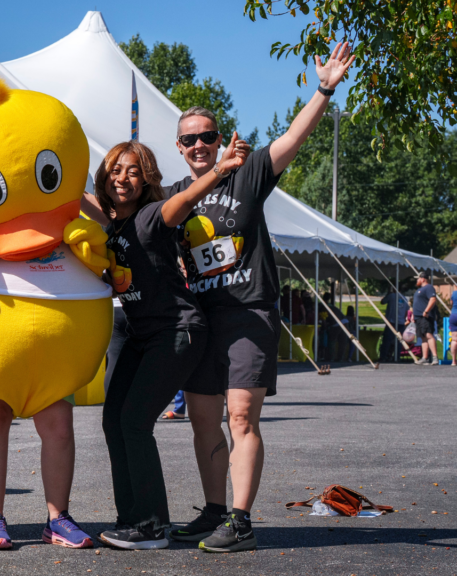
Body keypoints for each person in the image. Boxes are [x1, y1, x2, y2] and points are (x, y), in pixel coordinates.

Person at [167, 42, 355, 553]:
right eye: (190, 139)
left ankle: (241, 520)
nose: (200, 145)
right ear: (179, 147)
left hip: (248, 315)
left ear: (219, 138)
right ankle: (213, 512)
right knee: (203, 421)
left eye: (207, 136)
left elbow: (293, 137)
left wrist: (323, 90)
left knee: (241, 417)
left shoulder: (247, 174)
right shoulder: (176, 195)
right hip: (201, 322)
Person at [96, 135, 248, 550]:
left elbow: (183, 201)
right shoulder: (113, 224)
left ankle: (150, 528)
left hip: (177, 331)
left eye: (133, 172)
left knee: (134, 421)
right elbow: (77, 198)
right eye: (115, 170)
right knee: (113, 421)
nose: (122, 178)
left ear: (146, 181)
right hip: (141, 334)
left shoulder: (151, 215)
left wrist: (220, 169)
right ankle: (131, 518)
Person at [412, 271, 439, 365]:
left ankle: (435, 357)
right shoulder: (419, 290)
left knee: (428, 335)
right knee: (423, 337)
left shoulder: (429, 287)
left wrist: (426, 311)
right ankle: (425, 357)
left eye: (418, 279)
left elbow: (433, 299)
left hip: (425, 316)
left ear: (423, 279)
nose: (417, 280)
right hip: (418, 317)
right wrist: (413, 315)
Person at [379, 288, 409, 363]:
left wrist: (388, 293)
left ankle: (383, 357)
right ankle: (397, 357)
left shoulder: (392, 296)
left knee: (387, 340)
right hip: (401, 322)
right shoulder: (404, 298)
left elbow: (382, 302)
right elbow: (406, 312)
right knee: (399, 341)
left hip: (392, 321)